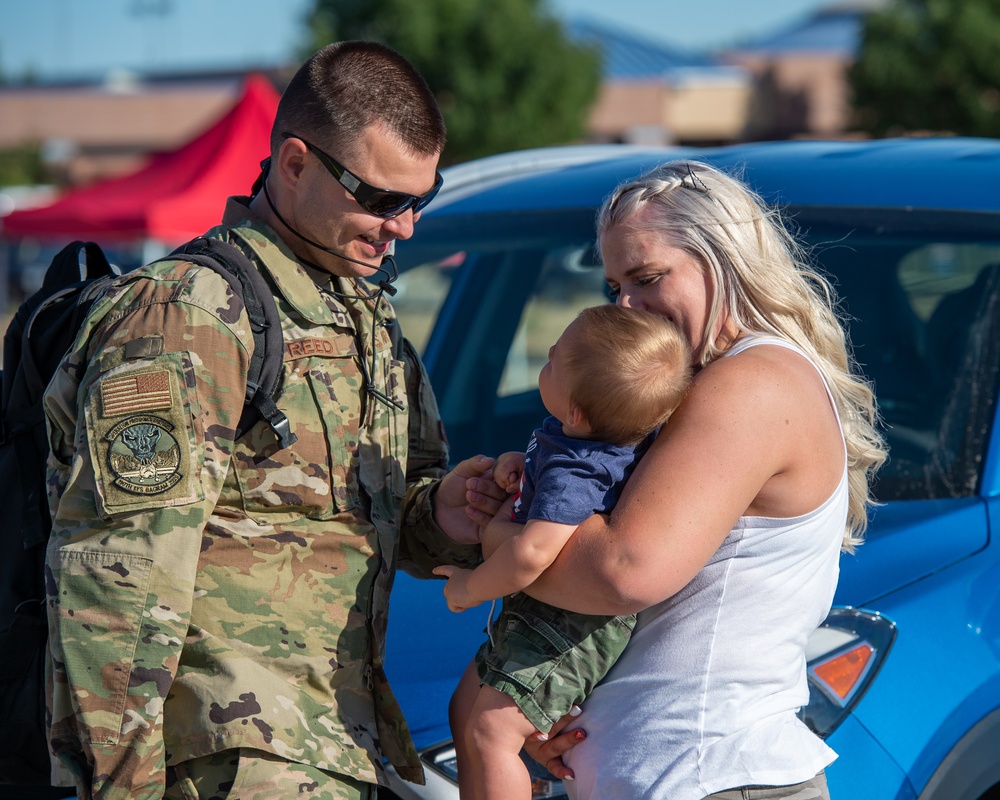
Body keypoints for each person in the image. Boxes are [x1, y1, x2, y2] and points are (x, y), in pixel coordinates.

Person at [42, 41, 504, 800]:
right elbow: (115, 575)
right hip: (229, 763)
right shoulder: (188, 316)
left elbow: (381, 515)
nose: (407, 228)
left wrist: (445, 512)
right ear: (294, 164)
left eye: (422, 197)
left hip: (344, 748)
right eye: (383, 199)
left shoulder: (366, 320)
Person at [478, 161, 887, 799]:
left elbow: (622, 571)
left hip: (711, 775)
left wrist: (503, 528)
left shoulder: (751, 382)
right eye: (614, 285)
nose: (626, 306)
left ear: (723, 259)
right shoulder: (708, 382)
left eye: (646, 278)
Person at [433, 304, 691, 800]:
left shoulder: (578, 472)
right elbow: (547, 481)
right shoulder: (578, 438)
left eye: (555, 361)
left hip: (568, 626)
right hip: (547, 616)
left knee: (492, 732)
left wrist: (468, 587)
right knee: (464, 707)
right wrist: (519, 469)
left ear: (575, 411)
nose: (547, 354)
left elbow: (532, 554)